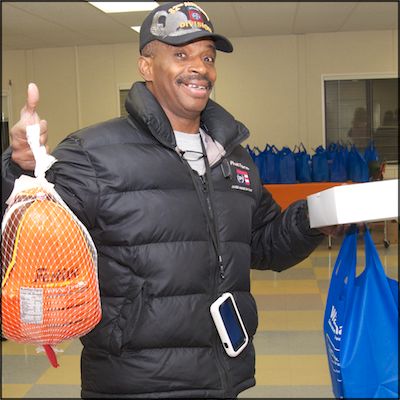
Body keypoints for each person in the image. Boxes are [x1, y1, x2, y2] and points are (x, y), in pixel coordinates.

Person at [2, 2, 342, 398]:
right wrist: (18, 169)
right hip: (135, 382)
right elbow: (18, 232)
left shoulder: (231, 155)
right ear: (146, 66)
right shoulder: (93, 153)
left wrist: (317, 216)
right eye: (180, 54)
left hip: (222, 376)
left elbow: (264, 244)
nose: (199, 67)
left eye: (207, 57)